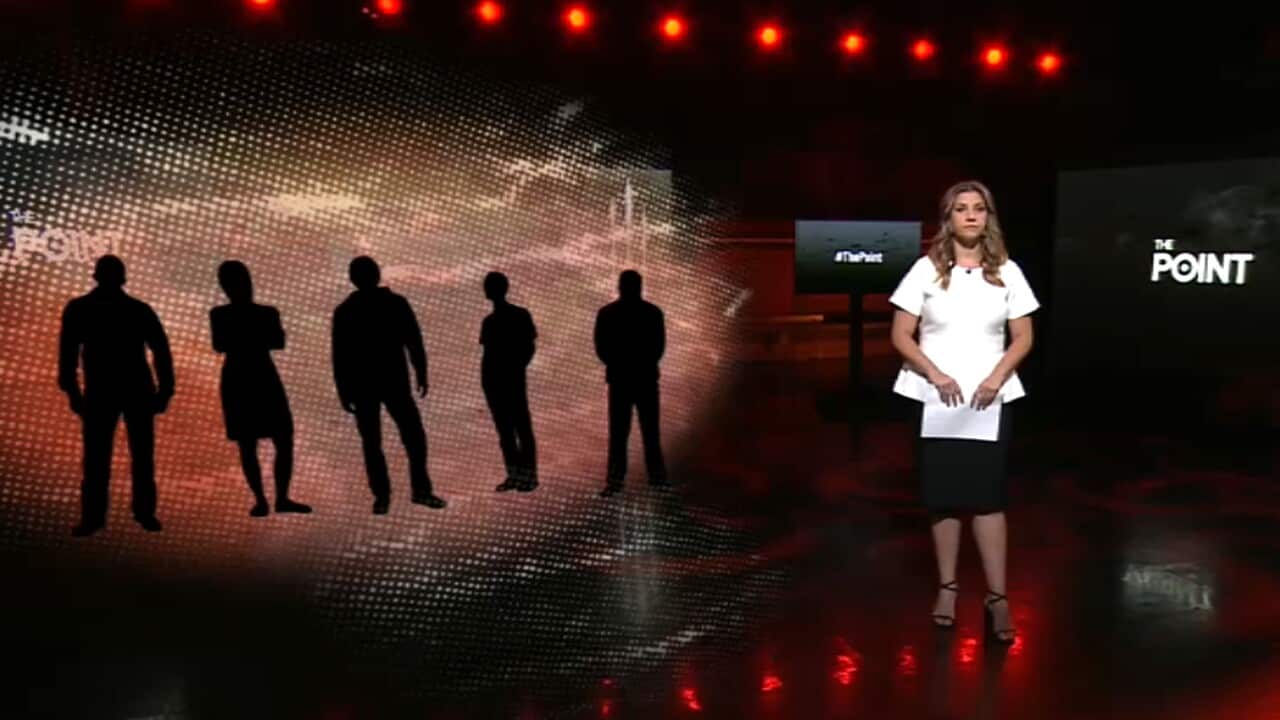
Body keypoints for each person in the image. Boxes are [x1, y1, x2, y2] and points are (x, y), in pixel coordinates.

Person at [887, 180, 1040, 644]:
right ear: (948, 218)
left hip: (990, 400)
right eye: (961, 208)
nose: (971, 215)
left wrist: (996, 377)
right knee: (943, 497)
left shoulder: (1008, 272)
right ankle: (948, 588)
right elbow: (900, 334)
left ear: (988, 217)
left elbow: (1024, 337)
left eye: (979, 208)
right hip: (936, 399)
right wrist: (935, 374)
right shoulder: (925, 271)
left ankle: (997, 597)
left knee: (989, 498)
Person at [57, 255, 173, 536]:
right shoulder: (138, 310)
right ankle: (140, 514)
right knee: (135, 456)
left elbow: (68, 355)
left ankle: (98, 518)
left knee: (100, 458)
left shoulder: (81, 308)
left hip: (108, 392)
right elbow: (160, 351)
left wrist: (73, 391)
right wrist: (165, 391)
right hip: (129, 391)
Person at [332, 256, 446, 514]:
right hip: (393, 380)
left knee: (374, 442)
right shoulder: (395, 303)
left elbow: (340, 356)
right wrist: (421, 371)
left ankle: (383, 496)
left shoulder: (346, 311)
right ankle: (419, 491)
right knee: (412, 436)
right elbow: (413, 340)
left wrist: (343, 389)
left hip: (364, 384)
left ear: (353, 279)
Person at [210, 261, 311, 517]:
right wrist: (256, 336)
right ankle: (271, 499)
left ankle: (270, 500)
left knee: (265, 440)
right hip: (257, 374)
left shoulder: (223, 315)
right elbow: (274, 340)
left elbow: (225, 344)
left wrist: (244, 337)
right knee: (260, 440)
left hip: (244, 376)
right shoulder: (262, 313)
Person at [593, 269, 668, 497]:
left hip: (619, 379)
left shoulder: (607, 313)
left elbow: (601, 347)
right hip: (646, 378)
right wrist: (643, 363)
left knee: (618, 434)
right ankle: (657, 480)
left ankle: (615, 482)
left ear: (620, 286)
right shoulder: (652, 312)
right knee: (651, 433)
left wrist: (618, 363)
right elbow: (658, 347)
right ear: (640, 286)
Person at [479, 272, 539, 492]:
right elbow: (527, 347)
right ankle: (518, 476)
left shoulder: (496, 320)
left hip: (506, 378)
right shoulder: (503, 318)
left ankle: (525, 476)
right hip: (500, 379)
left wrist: (516, 366)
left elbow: (527, 347)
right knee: (510, 430)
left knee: (516, 429)